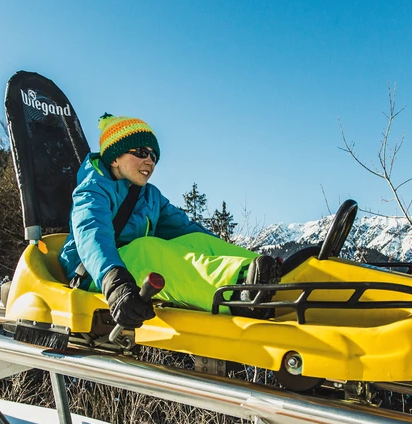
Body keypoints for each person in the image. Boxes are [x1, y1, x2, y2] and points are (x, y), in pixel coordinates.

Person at [58, 114, 280, 329]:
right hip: (99, 275)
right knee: (146, 248)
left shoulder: (149, 196)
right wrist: (113, 281)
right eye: (141, 152)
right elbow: (92, 234)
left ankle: (268, 274)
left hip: (128, 271)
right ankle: (236, 292)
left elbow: (187, 231)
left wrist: (231, 254)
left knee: (197, 239)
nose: (149, 161)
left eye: (154, 156)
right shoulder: (93, 189)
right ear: (115, 157)